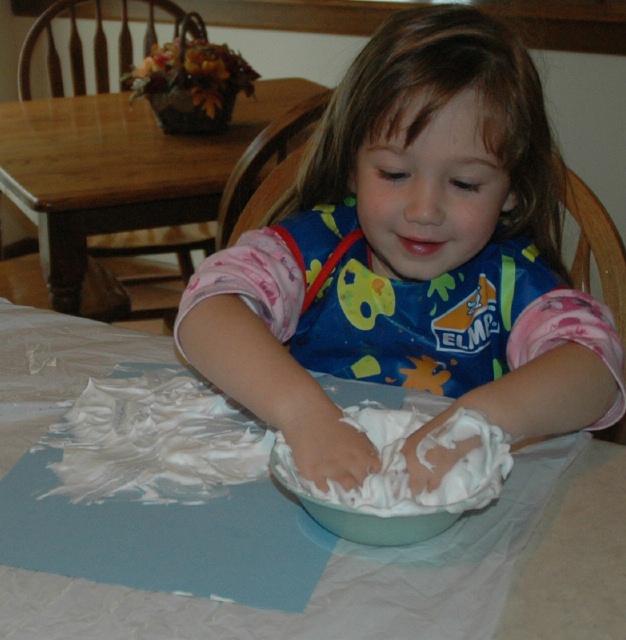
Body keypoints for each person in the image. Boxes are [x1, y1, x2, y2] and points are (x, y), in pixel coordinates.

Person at [175, 5, 625, 494]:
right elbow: (209, 310)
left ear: (512, 189)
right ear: (352, 167)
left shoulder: (512, 280)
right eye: (393, 174)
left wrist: (471, 425)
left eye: (465, 183)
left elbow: (594, 365)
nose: (424, 210)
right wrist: (304, 414)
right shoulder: (313, 253)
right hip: (305, 496)